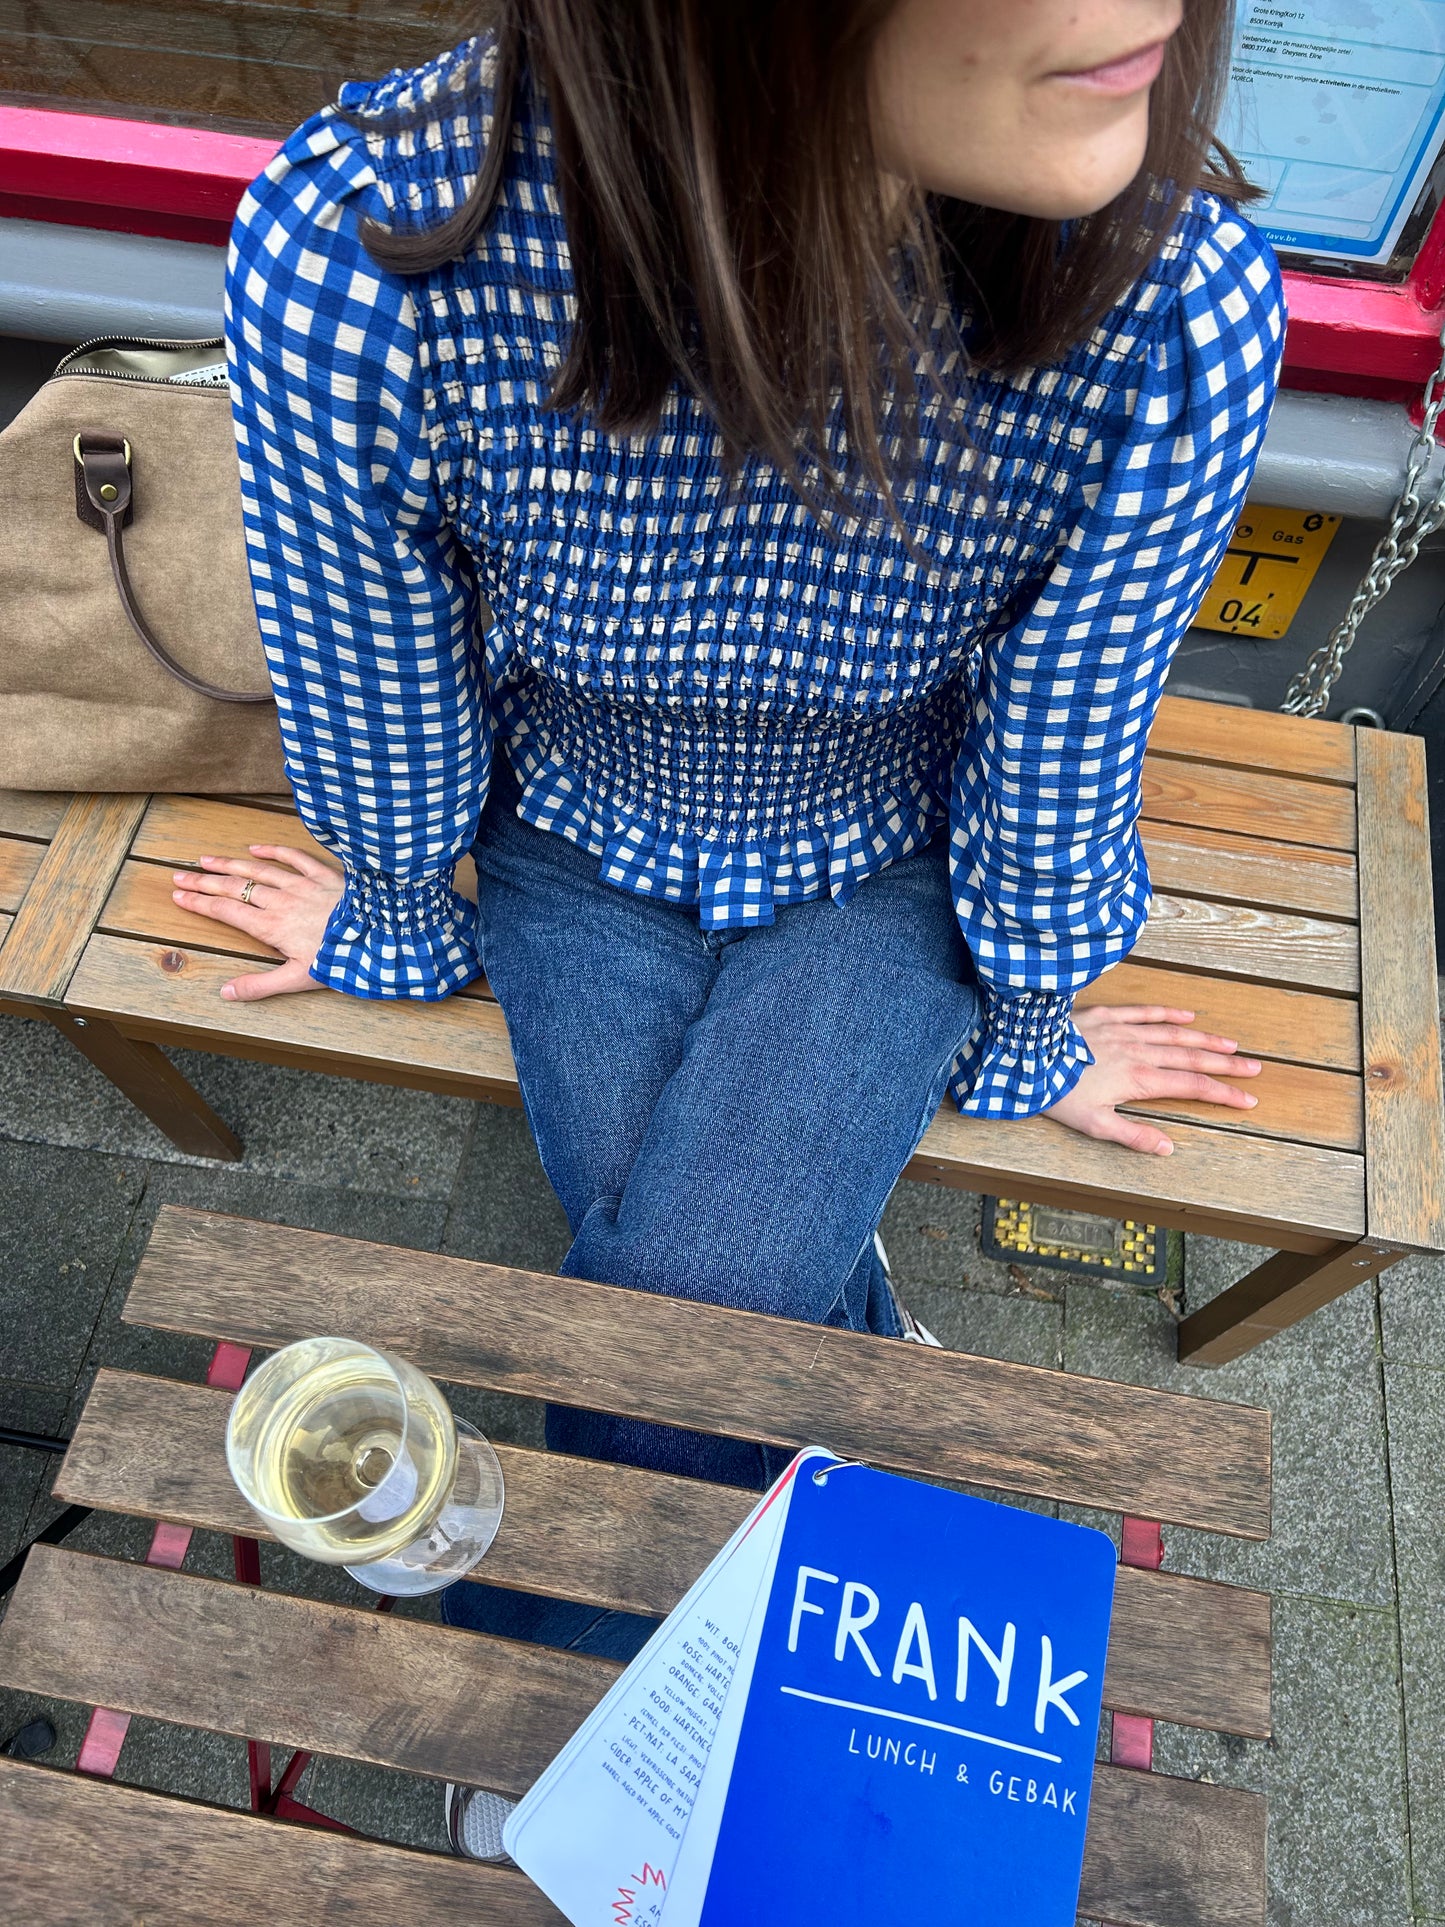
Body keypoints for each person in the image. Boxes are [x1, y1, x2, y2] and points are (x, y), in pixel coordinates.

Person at [177, 0, 1279, 1855]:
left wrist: (1026, 1006)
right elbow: (369, 643)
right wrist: (392, 895)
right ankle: (848, 1342)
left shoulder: (1171, 298)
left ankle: (553, 1741)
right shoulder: (379, 233)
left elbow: (1066, 721)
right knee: (726, 1293)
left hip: (888, 857)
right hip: (571, 836)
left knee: (685, 1301)